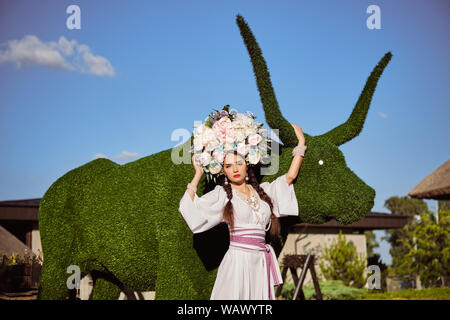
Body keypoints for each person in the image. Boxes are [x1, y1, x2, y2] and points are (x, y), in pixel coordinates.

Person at [178, 108, 306, 300]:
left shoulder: (264, 191)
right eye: (228, 166)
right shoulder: (222, 195)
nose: (235, 169)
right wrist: (197, 176)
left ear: (248, 164)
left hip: (261, 262)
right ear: (223, 171)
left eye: (239, 163)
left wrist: (301, 144)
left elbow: (289, 177)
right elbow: (188, 207)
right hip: (238, 262)